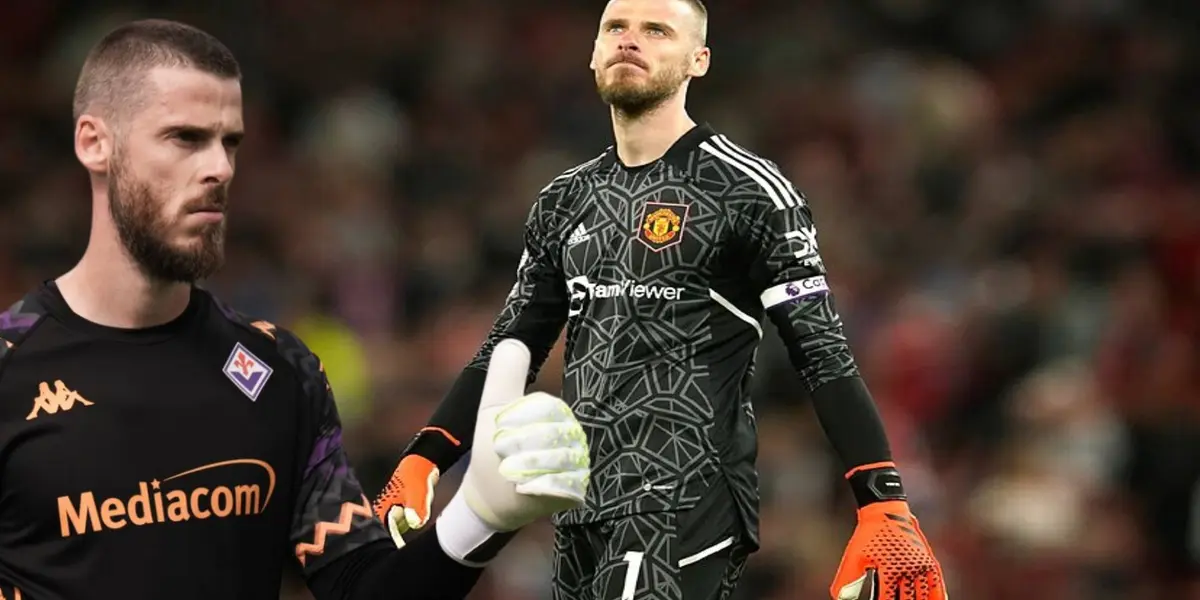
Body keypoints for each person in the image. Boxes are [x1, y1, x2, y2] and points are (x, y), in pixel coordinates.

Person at [372, 0, 949, 599]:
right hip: (581, 507)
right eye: (616, 28)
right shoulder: (565, 200)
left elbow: (823, 353)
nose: (630, 40)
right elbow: (512, 342)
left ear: (698, 60)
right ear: (594, 53)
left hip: (686, 498)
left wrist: (882, 504)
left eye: (656, 30)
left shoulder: (749, 191)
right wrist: (426, 457)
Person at [0, 19, 590, 600]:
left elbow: (361, 590)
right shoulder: (10, 367)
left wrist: (478, 518)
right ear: (95, 143)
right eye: (185, 138)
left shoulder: (280, 372)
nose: (219, 168)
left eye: (230, 142)